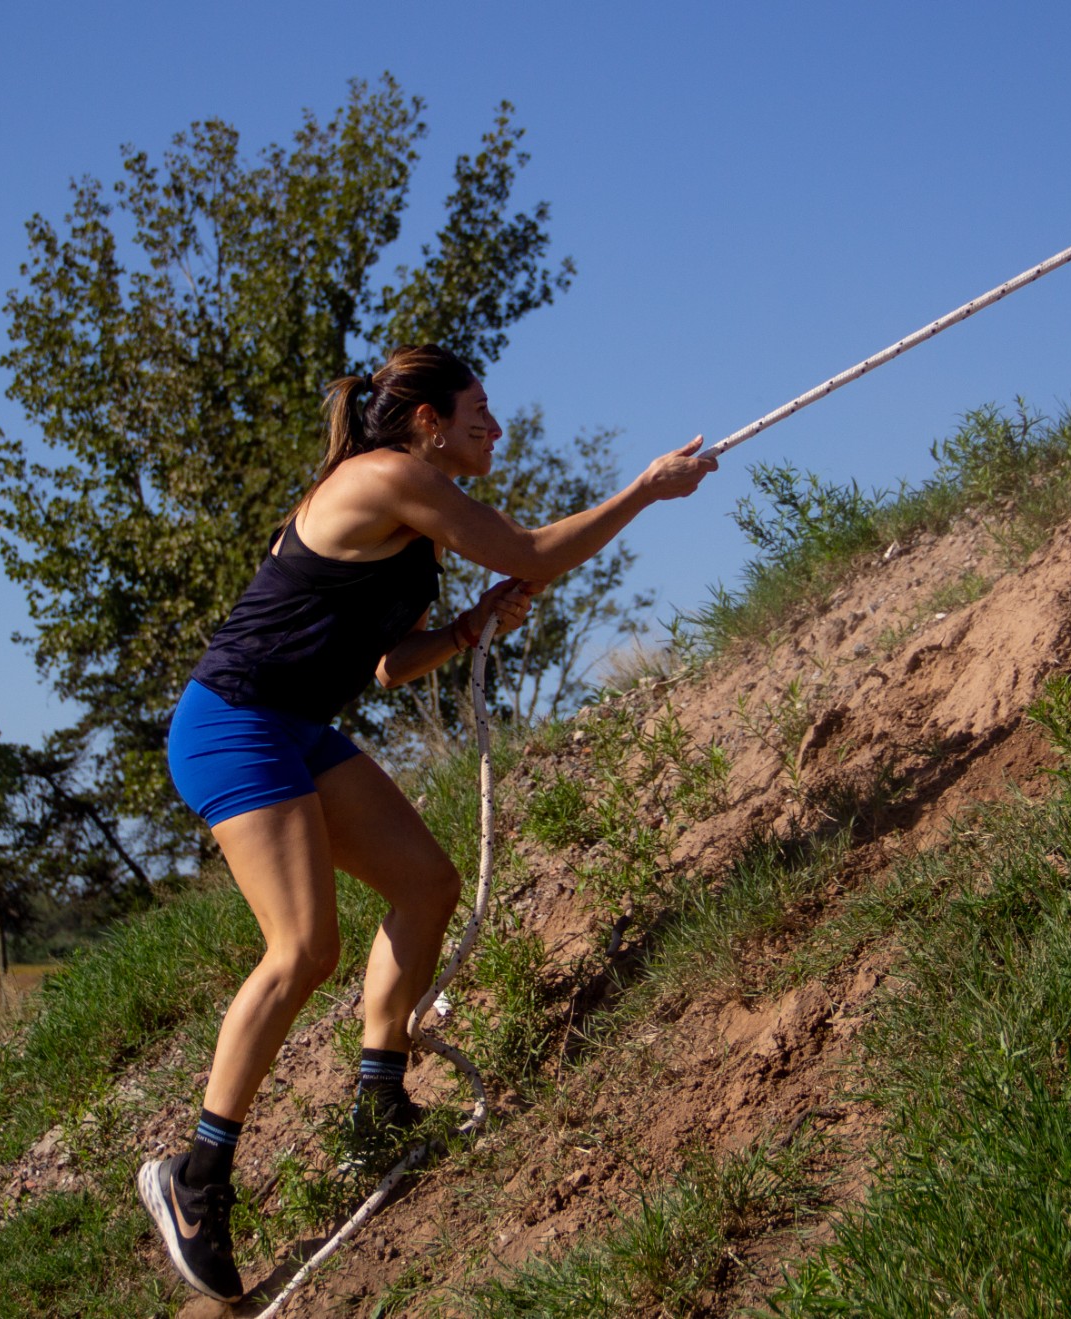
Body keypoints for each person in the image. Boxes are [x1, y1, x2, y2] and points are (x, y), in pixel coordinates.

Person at [137, 343, 716, 1301]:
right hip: (233, 725)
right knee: (302, 948)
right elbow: (534, 551)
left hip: (294, 728)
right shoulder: (391, 479)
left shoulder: (411, 504)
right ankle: (193, 1180)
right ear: (426, 421)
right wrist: (647, 490)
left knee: (426, 883)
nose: (496, 425)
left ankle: (378, 1103)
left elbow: (383, 667)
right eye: (478, 408)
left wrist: (463, 629)